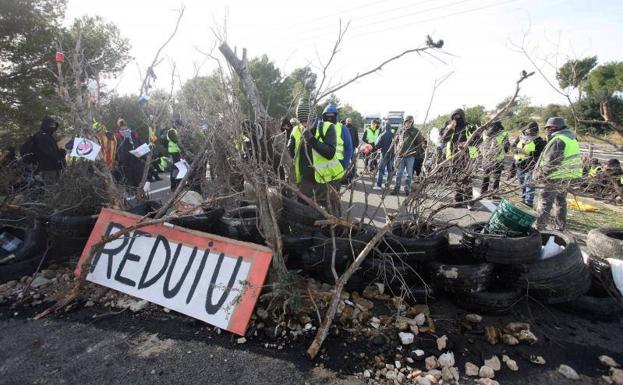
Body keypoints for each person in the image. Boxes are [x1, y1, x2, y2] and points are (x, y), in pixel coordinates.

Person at [288, 97, 343, 214]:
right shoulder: (296, 130)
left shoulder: (327, 127)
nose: (304, 124)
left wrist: (311, 139)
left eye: (306, 120)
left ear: (313, 116)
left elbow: (330, 153)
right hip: (306, 182)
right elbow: (290, 154)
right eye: (301, 121)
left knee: (331, 213)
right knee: (304, 212)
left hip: (327, 182)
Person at [534, 117, 583, 231]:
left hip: (555, 176)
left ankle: (539, 228)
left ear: (557, 128)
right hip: (568, 176)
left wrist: (539, 175)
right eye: (547, 127)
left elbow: (551, 162)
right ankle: (560, 228)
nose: (548, 130)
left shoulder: (558, 139)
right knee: (560, 202)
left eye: (550, 127)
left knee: (545, 202)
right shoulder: (571, 138)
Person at [441, 109, 473, 207]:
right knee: (456, 179)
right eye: (454, 116)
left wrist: (465, 145)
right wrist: (450, 128)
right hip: (453, 157)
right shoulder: (450, 127)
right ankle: (458, 200)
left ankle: (469, 201)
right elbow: (444, 139)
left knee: (467, 179)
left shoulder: (469, 127)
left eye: (459, 116)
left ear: (462, 117)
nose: (457, 118)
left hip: (466, 157)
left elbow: (477, 139)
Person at [512, 121, 546, 207]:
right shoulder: (520, 138)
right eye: (529, 130)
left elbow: (539, 153)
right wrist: (516, 150)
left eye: (533, 130)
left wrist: (526, 153)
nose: (530, 132)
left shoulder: (539, 140)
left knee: (529, 185)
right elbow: (512, 146)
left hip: (531, 166)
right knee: (521, 184)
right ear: (526, 129)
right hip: (519, 164)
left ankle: (528, 203)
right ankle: (523, 199)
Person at [392, 115, 425, 195]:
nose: (408, 123)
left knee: (409, 174)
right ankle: (396, 189)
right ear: (405, 122)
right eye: (407, 121)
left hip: (410, 156)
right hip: (400, 156)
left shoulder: (416, 131)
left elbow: (419, 143)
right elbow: (395, 141)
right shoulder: (401, 130)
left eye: (410, 122)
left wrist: (415, 153)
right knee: (398, 173)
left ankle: (407, 190)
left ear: (412, 122)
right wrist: (396, 151)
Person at [479, 120, 510, 196]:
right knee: (496, 178)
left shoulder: (485, 132)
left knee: (486, 176)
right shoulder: (503, 133)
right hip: (498, 159)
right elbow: (507, 147)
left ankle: (483, 192)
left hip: (486, 158)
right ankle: (494, 194)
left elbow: (481, 144)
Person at [115, 118, 145, 194]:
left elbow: (140, 143)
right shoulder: (117, 136)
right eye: (122, 129)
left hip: (136, 160)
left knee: (139, 180)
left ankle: (141, 194)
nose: (125, 130)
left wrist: (143, 155)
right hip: (125, 163)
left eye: (126, 128)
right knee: (129, 182)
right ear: (119, 128)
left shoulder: (133, 133)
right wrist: (117, 161)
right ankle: (133, 196)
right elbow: (116, 149)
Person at [31, 116, 64, 184]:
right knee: (50, 188)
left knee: (53, 187)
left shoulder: (47, 136)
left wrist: (60, 154)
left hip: (52, 167)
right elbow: (47, 152)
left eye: (54, 125)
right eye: (51, 125)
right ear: (46, 125)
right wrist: (59, 155)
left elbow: (51, 150)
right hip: (47, 168)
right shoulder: (42, 136)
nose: (53, 127)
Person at [373, 121, 394, 190]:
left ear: (384, 126)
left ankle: (379, 185)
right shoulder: (393, 135)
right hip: (392, 155)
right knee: (390, 171)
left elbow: (377, 145)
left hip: (384, 154)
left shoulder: (382, 134)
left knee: (381, 170)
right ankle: (387, 185)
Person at [164, 120, 183, 191]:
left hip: (175, 153)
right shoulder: (172, 131)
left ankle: (178, 184)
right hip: (174, 153)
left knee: (178, 169)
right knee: (175, 169)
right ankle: (174, 186)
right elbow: (176, 141)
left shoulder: (173, 131)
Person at [344, 117, 359, 181]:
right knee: (344, 162)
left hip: (352, 148)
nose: (349, 122)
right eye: (348, 121)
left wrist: (356, 145)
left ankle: (354, 173)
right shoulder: (343, 128)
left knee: (353, 161)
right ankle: (344, 175)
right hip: (344, 148)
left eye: (350, 121)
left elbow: (356, 137)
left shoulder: (354, 128)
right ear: (346, 121)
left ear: (351, 122)